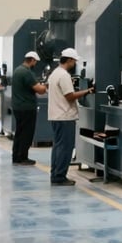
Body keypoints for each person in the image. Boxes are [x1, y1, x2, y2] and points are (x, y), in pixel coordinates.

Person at [47, 47, 94, 187]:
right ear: (69, 60)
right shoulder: (64, 76)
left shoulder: (54, 73)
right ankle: (60, 177)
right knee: (65, 148)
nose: (75, 64)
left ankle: (55, 174)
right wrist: (87, 91)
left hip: (56, 116)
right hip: (64, 117)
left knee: (58, 147)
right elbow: (70, 96)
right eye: (74, 61)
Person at [11, 51, 47, 165]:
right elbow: (40, 90)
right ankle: (23, 157)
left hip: (18, 107)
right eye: (35, 62)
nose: (35, 64)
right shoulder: (27, 72)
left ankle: (16, 156)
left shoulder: (17, 70)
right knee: (27, 133)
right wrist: (46, 85)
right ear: (32, 60)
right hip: (27, 108)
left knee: (19, 132)